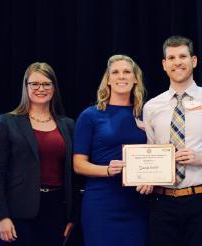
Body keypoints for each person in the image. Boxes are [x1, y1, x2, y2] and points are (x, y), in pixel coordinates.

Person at [143, 35, 202, 246]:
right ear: (164, 64)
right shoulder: (151, 107)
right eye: (171, 58)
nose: (177, 62)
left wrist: (201, 159)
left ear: (194, 61)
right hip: (161, 203)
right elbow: (149, 155)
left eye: (182, 56)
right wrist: (144, 176)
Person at [0, 62, 78, 245]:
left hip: (57, 210)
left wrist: (72, 216)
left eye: (46, 84)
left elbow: (73, 174)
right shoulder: (7, 122)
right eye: (34, 84)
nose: (41, 88)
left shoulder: (68, 125)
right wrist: (1, 216)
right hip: (17, 211)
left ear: (54, 88)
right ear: (26, 86)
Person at [73, 54, 152, 246]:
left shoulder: (147, 114)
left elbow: (156, 156)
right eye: (115, 72)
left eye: (126, 72)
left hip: (137, 203)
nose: (121, 76)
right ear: (108, 80)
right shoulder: (90, 115)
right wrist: (107, 170)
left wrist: (153, 178)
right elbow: (78, 164)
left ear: (135, 78)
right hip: (102, 203)